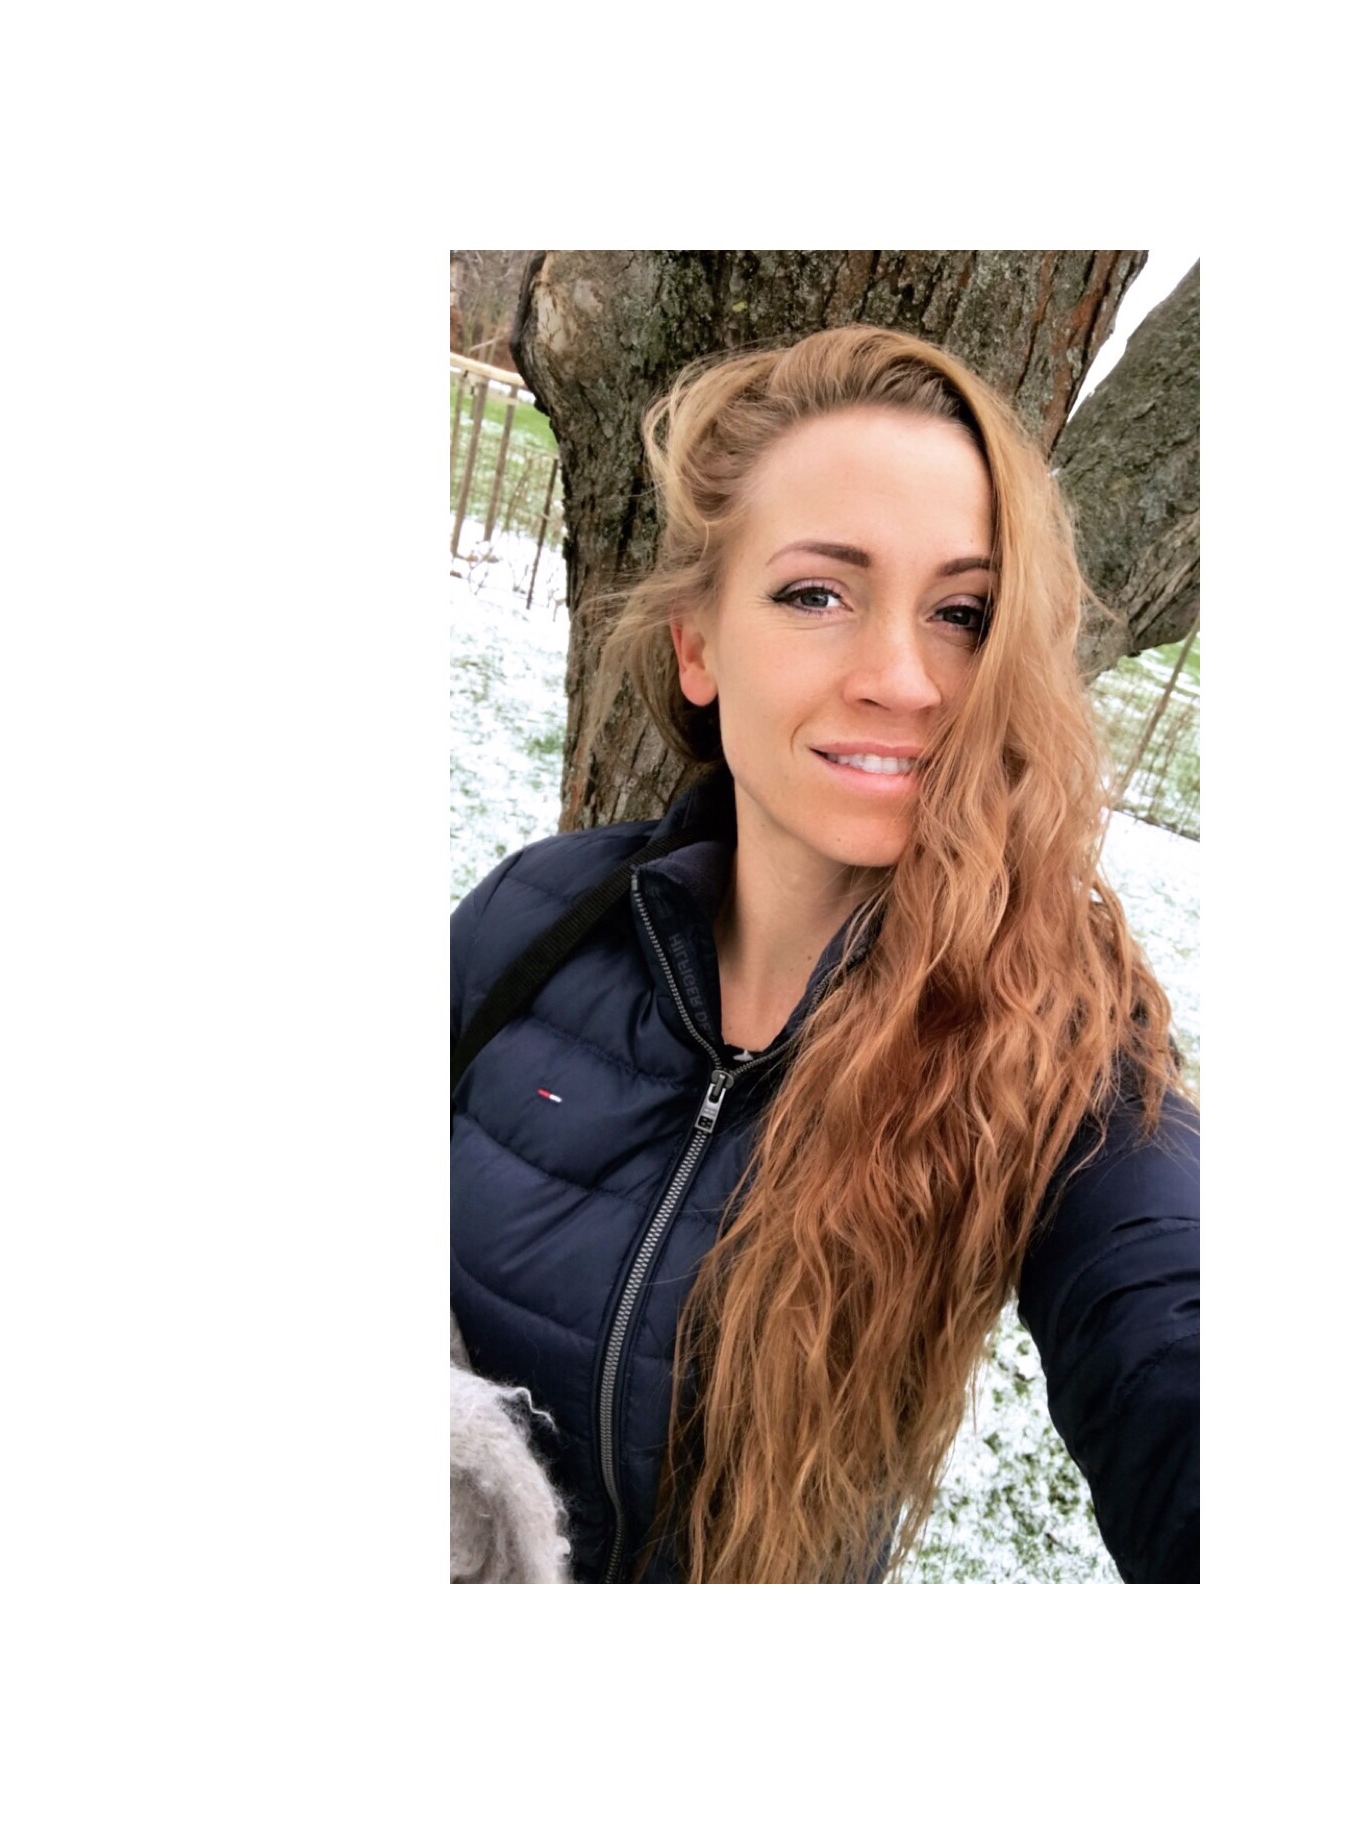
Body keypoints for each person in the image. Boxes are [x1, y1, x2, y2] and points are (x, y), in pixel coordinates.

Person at [450, 326, 1199, 1584]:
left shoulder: (1048, 1040)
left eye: (962, 614)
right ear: (696, 644)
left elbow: (1174, 1328)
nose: (904, 680)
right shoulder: (537, 916)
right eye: (816, 594)